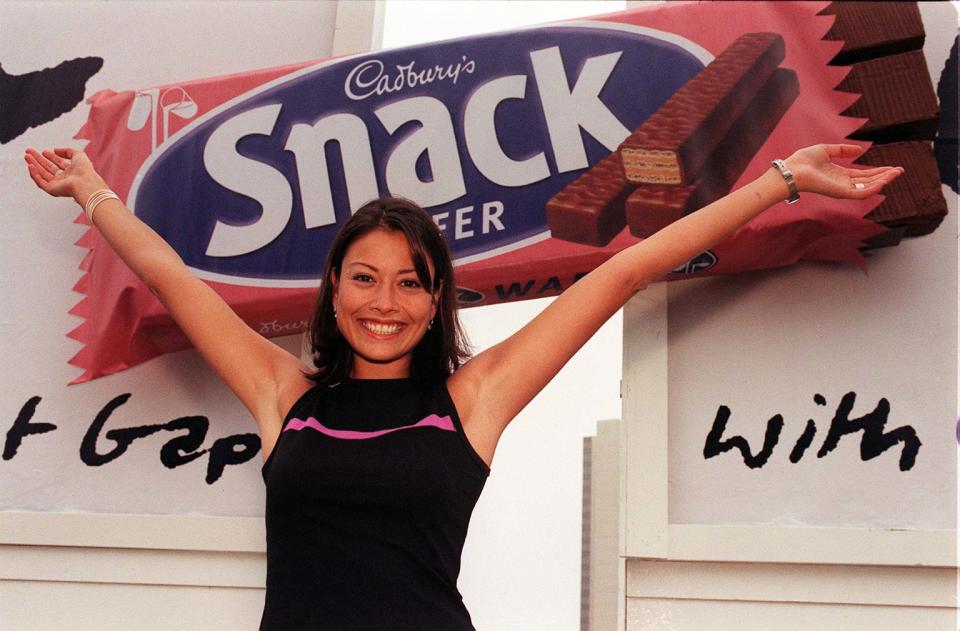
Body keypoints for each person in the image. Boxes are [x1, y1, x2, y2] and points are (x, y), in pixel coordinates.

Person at [25, 143, 902, 630]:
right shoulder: (283, 395)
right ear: (334, 290)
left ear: (435, 296)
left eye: (410, 281)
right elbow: (172, 275)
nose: (384, 302)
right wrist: (93, 190)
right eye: (364, 278)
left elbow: (626, 270)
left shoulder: (471, 401)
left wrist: (781, 179)